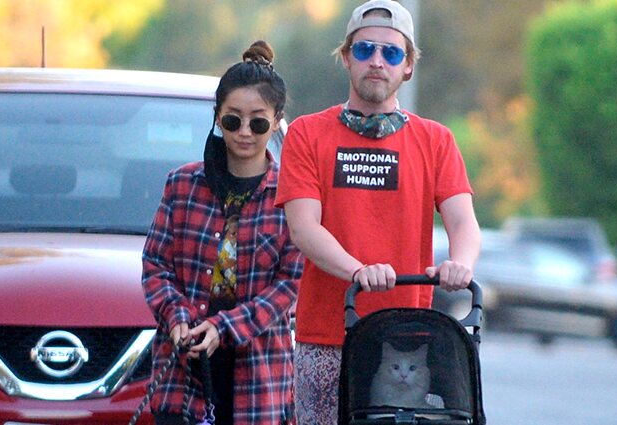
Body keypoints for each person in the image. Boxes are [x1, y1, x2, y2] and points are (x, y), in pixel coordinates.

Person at [274, 1, 481, 424]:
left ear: (408, 67)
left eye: (391, 53)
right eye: (365, 49)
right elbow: (304, 228)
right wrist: (358, 271)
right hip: (325, 336)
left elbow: (463, 221)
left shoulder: (435, 140)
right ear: (347, 58)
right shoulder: (307, 134)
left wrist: (461, 264)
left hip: (403, 338)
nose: (377, 61)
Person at [142, 40, 302, 425]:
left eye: (258, 122)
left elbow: (290, 285)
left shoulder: (293, 194)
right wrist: (178, 316)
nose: (244, 132)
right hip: (183, 375)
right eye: (233, 120)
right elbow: (155, 266)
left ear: (277, 120)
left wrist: (223, 327)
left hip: (260, 381)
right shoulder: (182, 185)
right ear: (217, 117)